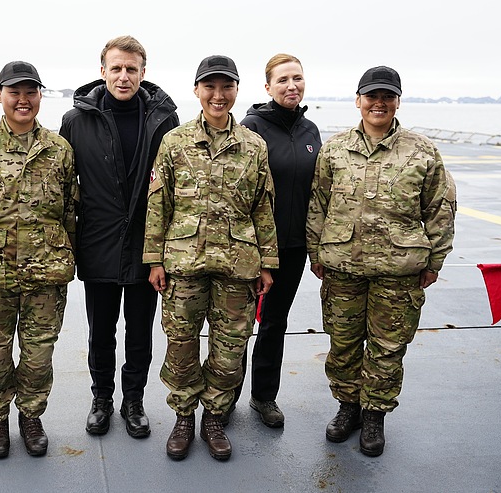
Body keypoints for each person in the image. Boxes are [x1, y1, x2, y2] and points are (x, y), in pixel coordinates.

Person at [306, 66, 456, 457]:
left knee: (388, 348)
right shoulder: (335, 149)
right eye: (371, 95)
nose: (379, 103)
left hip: (399, 270)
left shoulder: (422, 151)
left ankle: (375, 415)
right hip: (342, 268)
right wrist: (315, 252)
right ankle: (348, 407)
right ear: (358, 100)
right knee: (343, 344)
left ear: (397, 102)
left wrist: (435, 260)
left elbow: (440, 207)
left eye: (387, 96)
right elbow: (317, 204)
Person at [144, 55, 279, 461]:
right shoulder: (175, 141)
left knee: (230, 345)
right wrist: (154, 259)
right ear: (197, 90)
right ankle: (184, 415)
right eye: (210, 87)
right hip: (184, 262)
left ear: (237, 91)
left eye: (226, 87)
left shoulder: (254, 145)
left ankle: (214, 417)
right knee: (181, 342)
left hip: (238, 265)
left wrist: (268, 263)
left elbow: (263, 207)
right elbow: (158, 204)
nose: (218, 95)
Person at [59, 36, 180, 438]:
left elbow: (174, 188)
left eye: (131, 69)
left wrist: (163, 250)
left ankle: (133, 401)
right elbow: (62, 185)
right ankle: (101, 399)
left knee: (141, 329)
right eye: (116, 68)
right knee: (101, 330)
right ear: (102, 71)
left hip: (147, 245)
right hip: (99, 241)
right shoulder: (77, 121)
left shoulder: (163, 120)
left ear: (144, 73)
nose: (123, 76)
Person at [0, 61, 78, 459]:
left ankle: (30, 416)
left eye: (31, 92)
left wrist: (66, 257)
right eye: (15, 92)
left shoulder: (59, 150)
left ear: (41, 96)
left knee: (39, 353)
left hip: (46, 272)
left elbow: (69, 211)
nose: (23, 100)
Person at [227, 54, 321, 428]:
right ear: (267, 87)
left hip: (293, 246)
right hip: (251, 247)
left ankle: (264, 396)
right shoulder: (252, 128)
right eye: (282, 80)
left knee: (275, 323)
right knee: (237, 323)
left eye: (297, 78)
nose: (291, 86)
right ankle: (225, 395)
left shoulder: (311, 131)